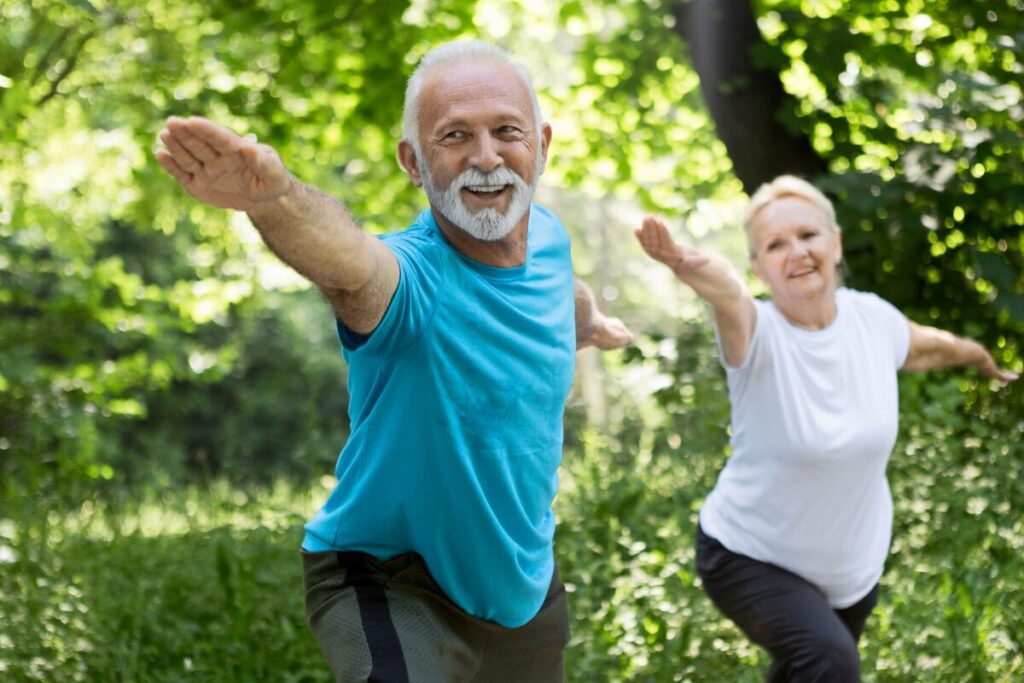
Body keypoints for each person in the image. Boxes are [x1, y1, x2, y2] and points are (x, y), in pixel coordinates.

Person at [156, 40, 633, 683]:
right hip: (390, 577)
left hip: (522, 590)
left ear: (542, 144)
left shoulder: (547, 236)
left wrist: (591, 325)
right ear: (413, 161)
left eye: (506, 131)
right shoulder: (413, 279)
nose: (486, 157)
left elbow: (558, 294)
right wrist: (274, 201)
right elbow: (352, 266)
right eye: (455, 136)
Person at [634, 175, 1017, 682]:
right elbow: (726, 292)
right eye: (775, 244)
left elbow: (928, 346)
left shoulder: (872, 320)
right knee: (830, 661)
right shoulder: (756, 333)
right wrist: (685, 262)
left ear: (835, 243)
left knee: (809, 670)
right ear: (760, 267)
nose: (796, 252)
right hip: (749, 556)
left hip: (852, 574)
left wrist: (981, 357)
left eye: (808, 235)